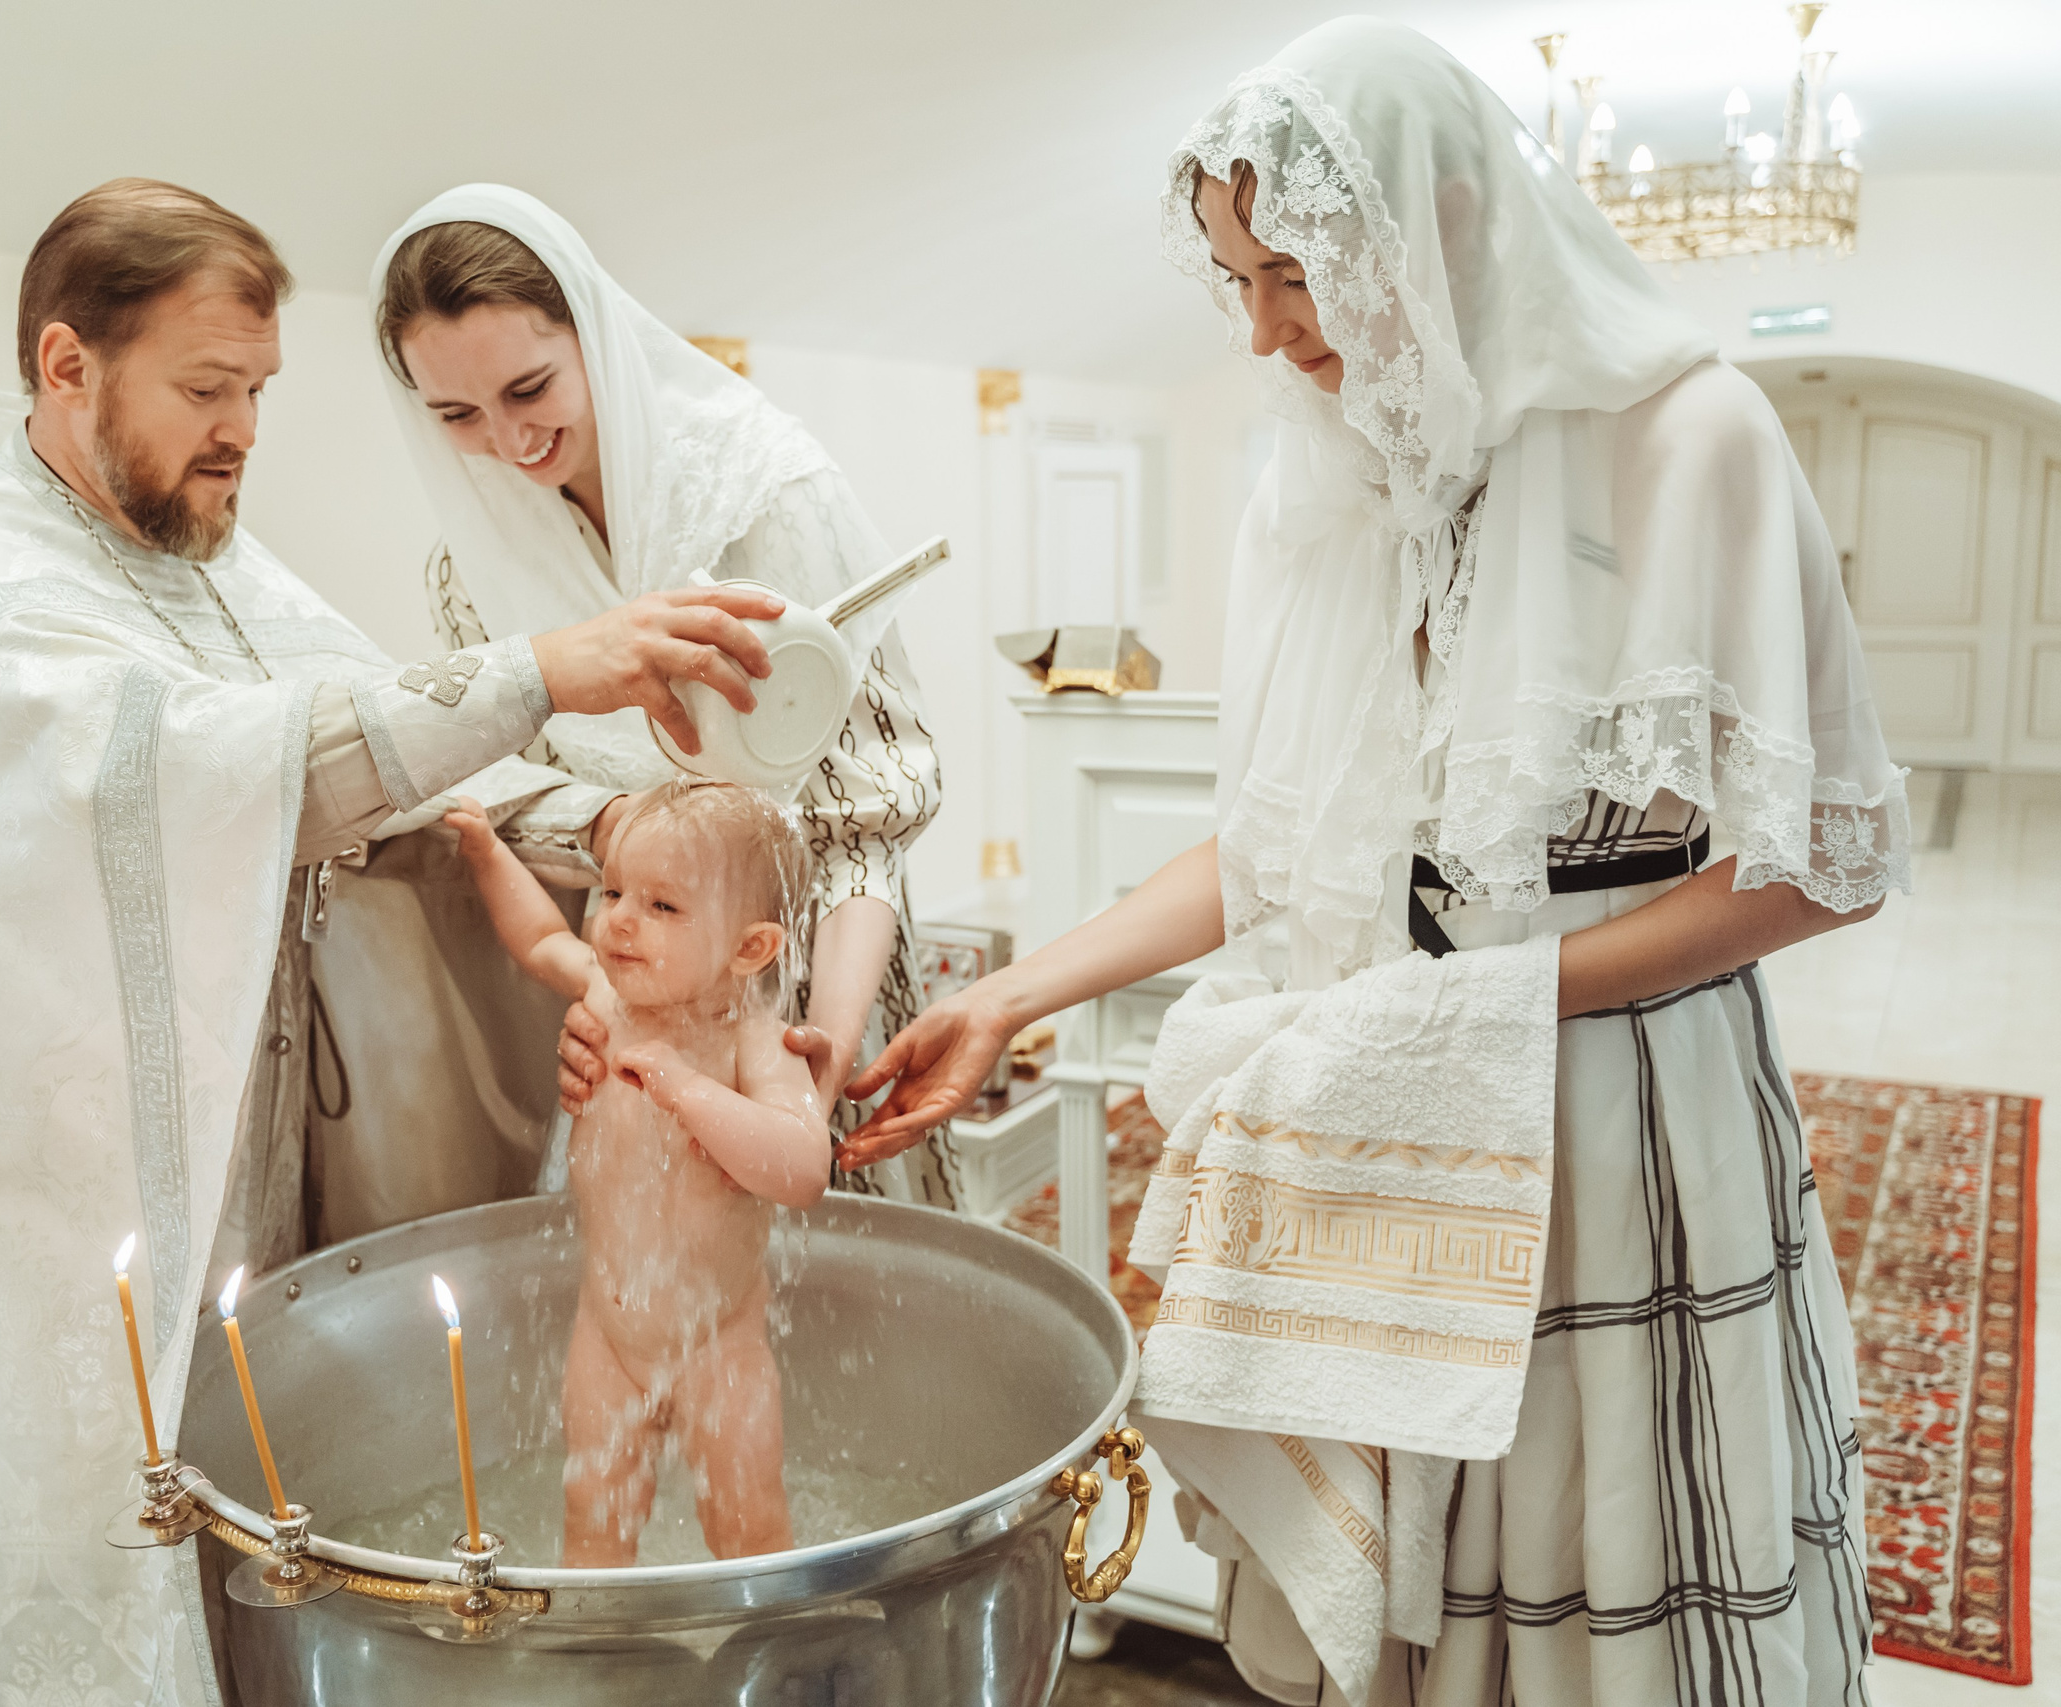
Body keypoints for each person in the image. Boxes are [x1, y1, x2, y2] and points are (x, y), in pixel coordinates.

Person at [844, 21, 1906, 1706]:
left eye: (1298, 274)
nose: (1266, 331)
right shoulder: (1327, 473)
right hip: (1410, 1100)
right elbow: (1277, 843)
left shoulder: (1692, 439)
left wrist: (1492, 1002)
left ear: (1450, 218)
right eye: (1234, 279)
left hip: (1621, 1107)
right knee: (1423, 1585)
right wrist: (1016, 993)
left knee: (1604, 1526)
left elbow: (1824, 863)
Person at [0, 178, 787, 1704]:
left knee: (250, 1504)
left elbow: (377, 741)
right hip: (57, 1176)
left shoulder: (185, 539)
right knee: (88, 1522)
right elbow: (212, 759)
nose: (244, 431)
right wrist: (541, 669)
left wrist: (610, 839)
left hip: (234, 1129)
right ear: (67, 366)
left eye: (258, 389)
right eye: (208, 388)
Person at [369, 186, 957, 1207]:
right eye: (457, 415)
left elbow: (864, 812)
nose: (509, 442)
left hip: (815, 974)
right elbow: (512, 780)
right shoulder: (469, 569)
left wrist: (815, 1061)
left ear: (594, 337)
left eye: (529, 388)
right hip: (643, 994)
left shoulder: (763, 501)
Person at [446, 779, 826, 1563]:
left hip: (720, 1342)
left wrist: (691, 1092)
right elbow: (540, 938)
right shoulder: (602, 996)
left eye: (663, 906)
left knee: (749, 1525)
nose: (618, 918)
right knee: (594, 1513)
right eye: (614, 889)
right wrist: (487, 853)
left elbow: (803, 1167)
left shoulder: (752, 1042)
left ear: (749, 949)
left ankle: (769, 1662)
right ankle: (602, 1666)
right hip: (608, 1337)